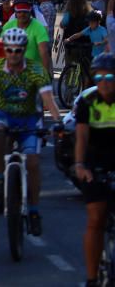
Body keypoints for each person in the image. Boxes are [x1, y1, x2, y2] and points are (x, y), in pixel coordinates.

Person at [0, 26, 61, 233]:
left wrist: (57, 122)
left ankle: (35, 210)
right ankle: (0, 178)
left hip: (30, 119)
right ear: (5, 49)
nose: (13, 55)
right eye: (9, 50)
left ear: (24, 49)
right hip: (5, 115)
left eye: (18, 50)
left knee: (34, 163)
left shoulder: (36, 70)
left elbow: (49, 101)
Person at [73, 53, 115, 287]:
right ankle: (91, 278)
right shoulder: (87, 101)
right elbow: (81, 136)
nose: (105, 82)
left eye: (110, 77)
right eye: (99, 77)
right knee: (96, 217)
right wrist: (80, 165)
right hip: (95, 161)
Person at [2, 0, 53, 75]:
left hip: (34, 72)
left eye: (25, 11)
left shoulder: (38, 27)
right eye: (19, 11)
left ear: (30, 10)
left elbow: (43, 51)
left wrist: (45, 75)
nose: (22, 14)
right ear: (15, 11)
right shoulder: (9, 25)